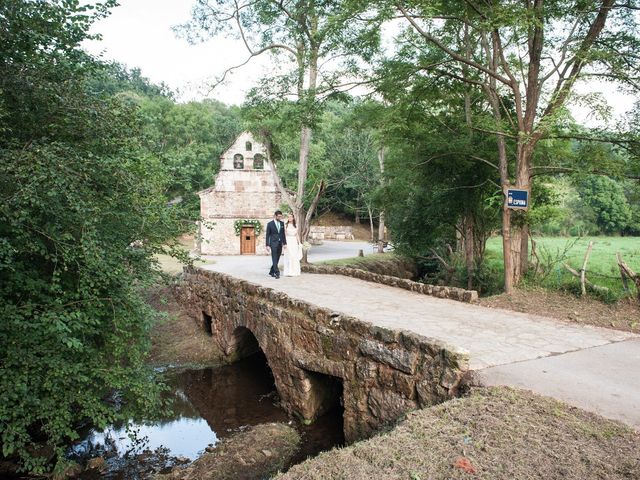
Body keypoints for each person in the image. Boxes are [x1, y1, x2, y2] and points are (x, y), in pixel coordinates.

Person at [265, 210, 286, 278]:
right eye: (279, 216)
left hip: (280, 243)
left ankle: (271, 271)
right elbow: (267, 235)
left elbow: (283, 234)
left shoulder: (282, 223)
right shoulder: (270, 224)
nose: (280, 218)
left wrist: (285, 243)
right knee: (274, 258)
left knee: (277, 258)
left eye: (281, 216)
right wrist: (267, 245)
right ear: (275, 216)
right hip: (273, 243)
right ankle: (277, 273)